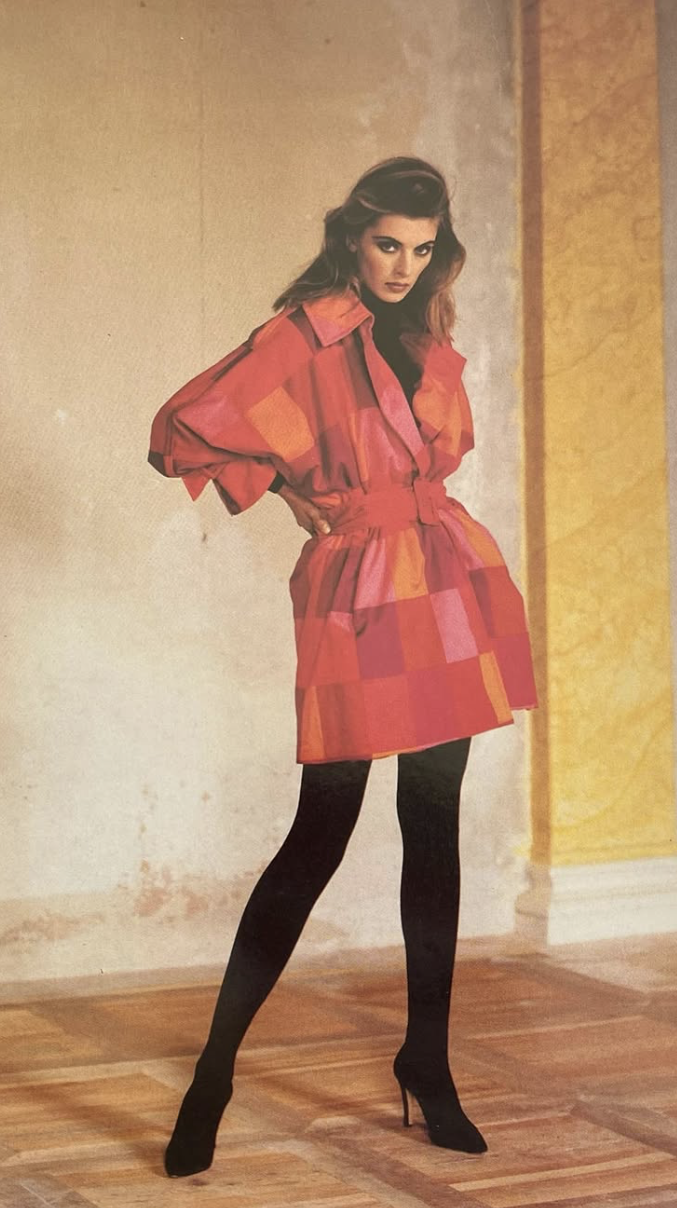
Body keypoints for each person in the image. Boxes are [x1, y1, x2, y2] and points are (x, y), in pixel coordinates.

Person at [148, 156, 537, 1177]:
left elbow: (437, 452)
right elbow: (184, 427)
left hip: (443, 579)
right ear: (352, 238)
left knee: (433, 824)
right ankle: (213, 1074)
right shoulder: (305, 332)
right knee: (320, 828)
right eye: (385, 245)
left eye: (421, 248)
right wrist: (284, 492)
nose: (402, 266)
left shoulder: (425, 337)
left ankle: (428, 1062)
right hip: (358, 587)